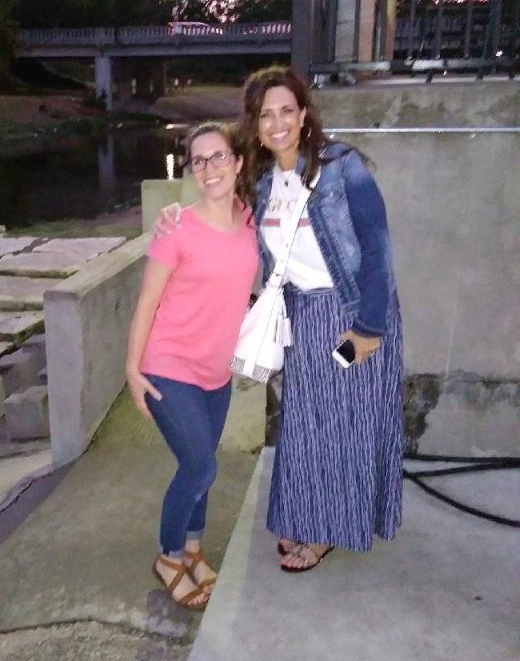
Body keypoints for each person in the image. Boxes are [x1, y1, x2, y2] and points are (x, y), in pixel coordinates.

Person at [156, 66, 404, 573]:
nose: (277, 123)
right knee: (305, 426)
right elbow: (222, 212)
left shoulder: (343, 166)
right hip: (303, 319)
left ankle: (327, 531)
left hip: (350, 316)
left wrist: (368, 330)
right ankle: (307, 515)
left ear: (304, 114)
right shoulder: (264, 182)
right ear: (255, 124)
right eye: (265, 115)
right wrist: (173, 215)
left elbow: (378, 250)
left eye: (286, 110)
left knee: (343, 426)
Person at [126, 121, 259, 609]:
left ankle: (193, 550)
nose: (209, 168)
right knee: (200, 465)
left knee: (201, 466)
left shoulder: (250, 218)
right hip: (169, 364)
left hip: (216, 372)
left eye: (218, 156)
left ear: (237, 162)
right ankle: (168, 556)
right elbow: (146, 303)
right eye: (198, 161)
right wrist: (132, 370)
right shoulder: (177, 228)